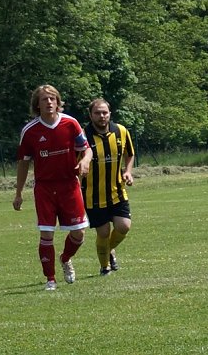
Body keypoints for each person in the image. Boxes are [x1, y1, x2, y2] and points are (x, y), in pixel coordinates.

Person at [13, 85, 93, 291]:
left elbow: (87, 150)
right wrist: (18, 193)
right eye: (43, 100)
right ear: (37, 105)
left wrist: (85, 162)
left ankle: (65, 259)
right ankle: (50, 279)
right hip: (45, 189)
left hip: (69, 185)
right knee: (46, 234)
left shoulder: (70, 123)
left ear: (58, 102)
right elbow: (23, 163)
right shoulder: (30, 131)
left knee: (79, 233)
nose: (48, 102)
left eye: (52, 99)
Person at [82, 98, 136, 275]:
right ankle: (104, 266)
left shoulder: (121, 131)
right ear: (90, 115)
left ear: (110, 113)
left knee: (124, 227)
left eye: (104, 112)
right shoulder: (83, 136)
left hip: (117, 190)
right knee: (104, 233)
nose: (101, 116)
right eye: (97, 113)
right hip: (93, 195)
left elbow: (130, 154)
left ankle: (108, 250)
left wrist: (127, 171)